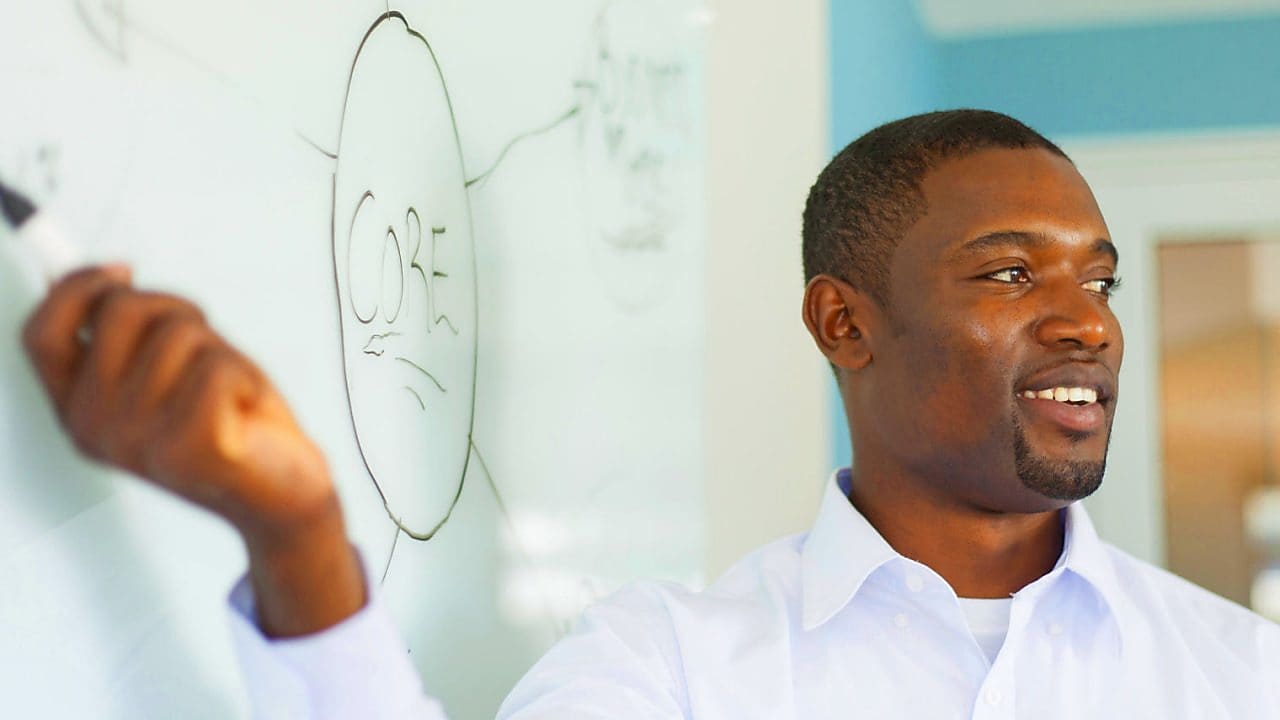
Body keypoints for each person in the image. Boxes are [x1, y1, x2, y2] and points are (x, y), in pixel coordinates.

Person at [20, 110, 1280, 718]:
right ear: (842, 323)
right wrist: (293, 534)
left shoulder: (1240, 677)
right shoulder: (667, 667)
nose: (1087, 322)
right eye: (1011, 274)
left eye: (1097, 278)